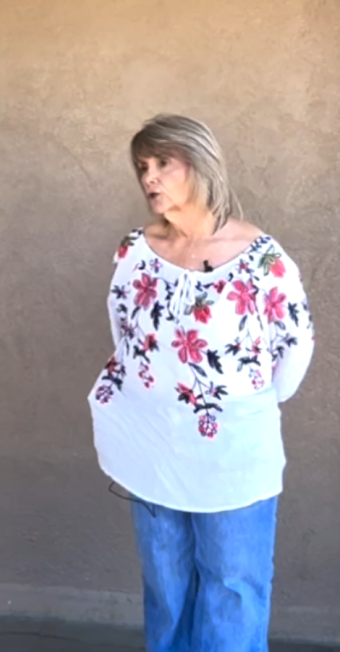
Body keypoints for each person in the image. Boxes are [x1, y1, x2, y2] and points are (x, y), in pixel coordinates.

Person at [89, 114, 315, 651]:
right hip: (153, 447)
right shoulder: (134, 252)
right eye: (143, 166)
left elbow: (295, 350)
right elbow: (125, 333)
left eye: (163, 162)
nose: (150, 177)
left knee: (233, 589)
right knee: (166, 588)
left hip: (234, 455)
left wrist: (232, 407)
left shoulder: (261, 259)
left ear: (201, 162)